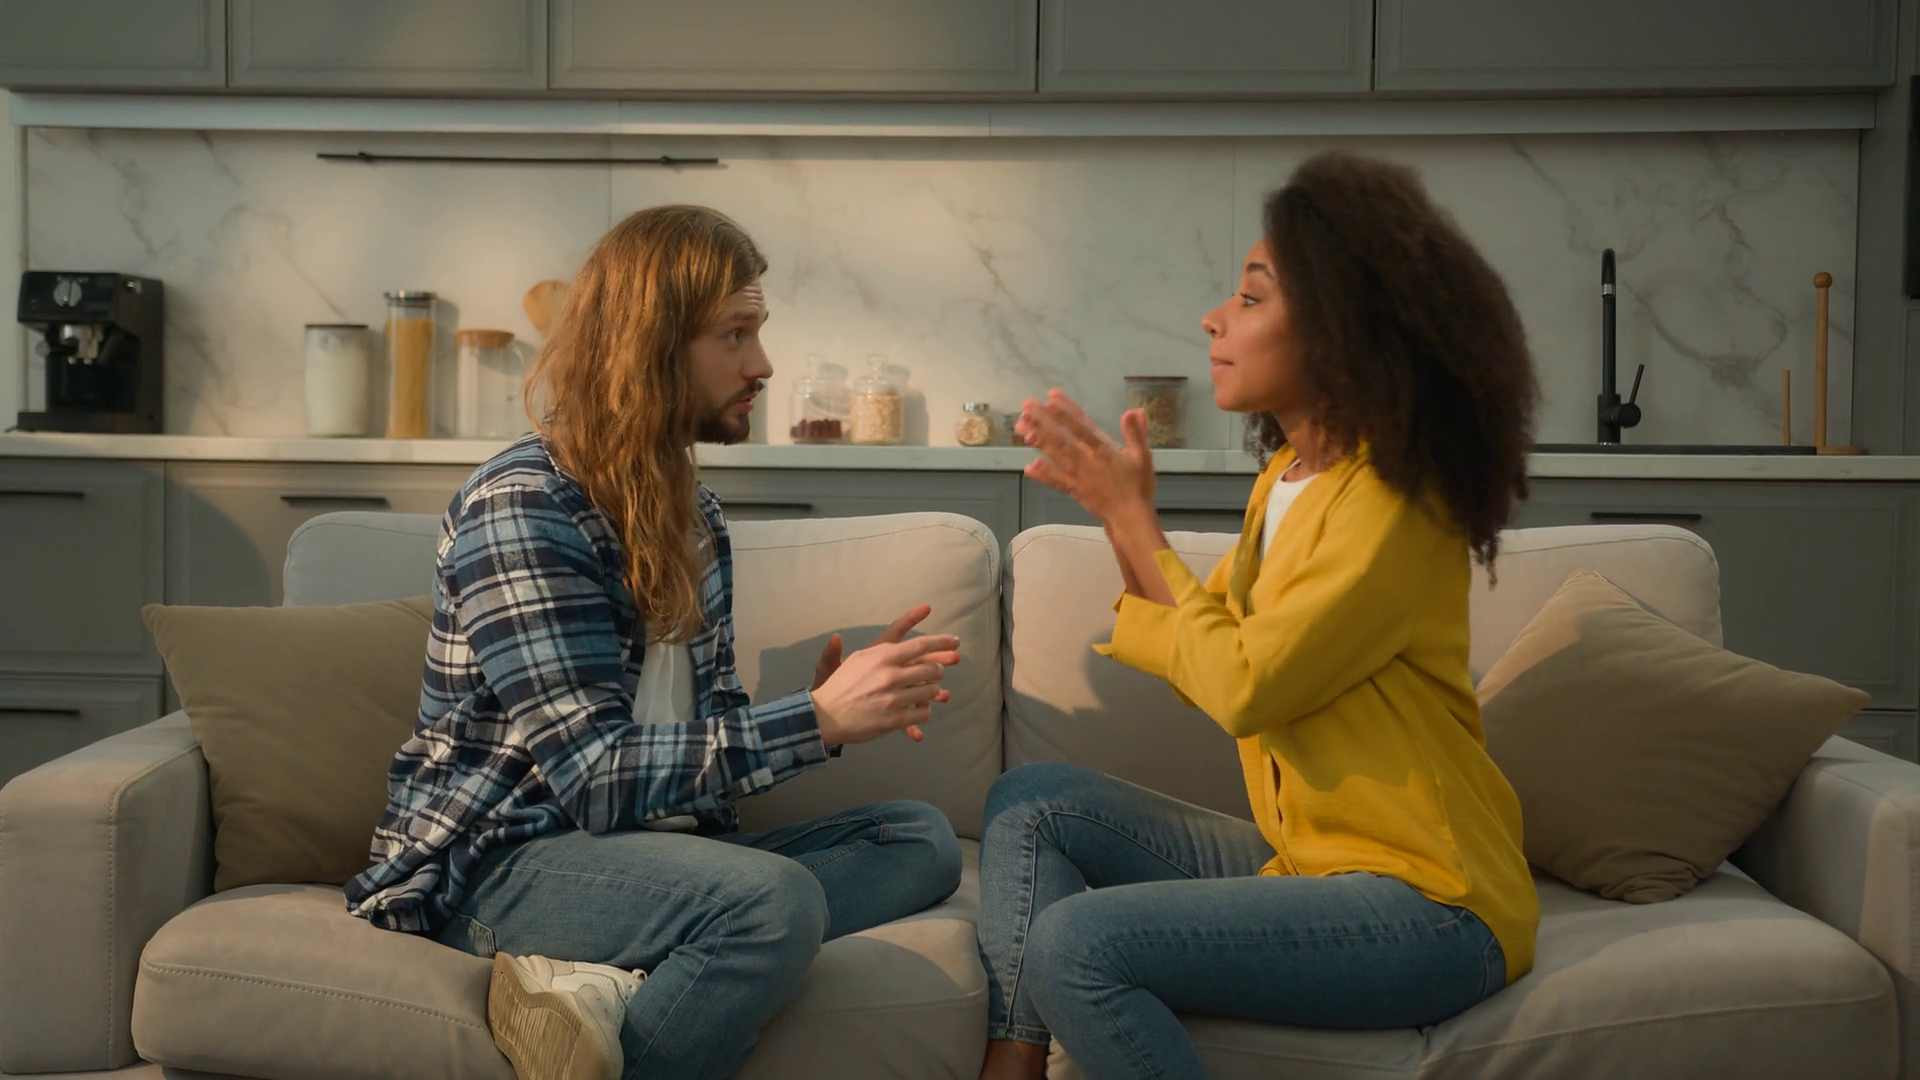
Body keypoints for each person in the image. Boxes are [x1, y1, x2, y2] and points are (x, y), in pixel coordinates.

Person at [344, 205, 965, 1080]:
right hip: (504, 862)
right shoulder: (525, 507)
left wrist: (825, 710)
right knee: (774, 903)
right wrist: (814, 719)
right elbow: (596, 778)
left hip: (659, 853)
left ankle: (608, 977)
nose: (763, 364)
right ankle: (646, 979)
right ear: (652, 345)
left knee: (918, 839)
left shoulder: (693, 512)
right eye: (735, 335)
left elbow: (692, 745)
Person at [978, 150, 1542, 1080]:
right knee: (1031, 804)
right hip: (1311, 864)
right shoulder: (1286, 476)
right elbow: (1210, 661)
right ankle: (1013, 1059)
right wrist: (1121, 518)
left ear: (1342, 325)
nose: (1214, 317)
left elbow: (1245, 686)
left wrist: (1137, 522)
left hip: (1432, 905)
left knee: (1078, 944)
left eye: (1250, 298)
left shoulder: (1398, 502)